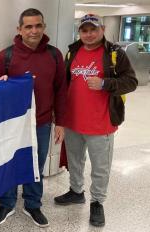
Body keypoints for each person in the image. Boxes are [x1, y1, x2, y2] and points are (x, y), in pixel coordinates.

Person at [54, 14, 137, 227]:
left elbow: (131, 81)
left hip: (101, 123)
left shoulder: (114, 53)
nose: (89, 34)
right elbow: (65, 83)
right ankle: (76, 191)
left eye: (93, 29)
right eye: (84, 30)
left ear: (103, 29)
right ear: (79, 32)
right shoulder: (72, 52)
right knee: (75, 160)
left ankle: (97, 202)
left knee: (100, 167)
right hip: (73, 121)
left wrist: (104, 84)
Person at [0, 8, 67, 228]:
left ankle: (32, 204)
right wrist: (3, 83)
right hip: (13, 124)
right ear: (19, 29)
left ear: (44, 27)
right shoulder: (7, 55)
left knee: (36, 165)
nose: (34, 31)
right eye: (28, 26)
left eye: (38, 25)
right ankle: (7, 202)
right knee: (9, 163)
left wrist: (60, 122)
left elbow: (61, 90)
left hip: (41, 123)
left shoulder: (54, 55)